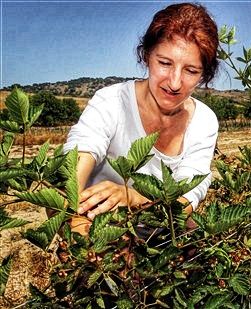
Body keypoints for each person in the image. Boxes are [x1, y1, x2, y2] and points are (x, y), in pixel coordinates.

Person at [64, 3, 219, 233]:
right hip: (97, 226)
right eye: (164, 63)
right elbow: (77, 159)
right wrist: (75, 221)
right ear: (147, 56)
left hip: (158, 231)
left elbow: (185, 202)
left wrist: (133, 197)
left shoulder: (204, 121)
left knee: (193, 234)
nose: (174, 83)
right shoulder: (111, 101)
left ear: (204, 74)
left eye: (191, 71)